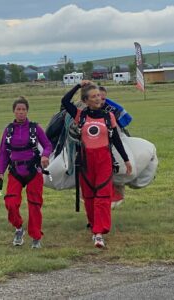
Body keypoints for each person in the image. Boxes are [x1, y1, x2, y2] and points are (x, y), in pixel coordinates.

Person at [61, 81, 132, 248]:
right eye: (93, 96)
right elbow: (65, 101)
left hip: (104, 161)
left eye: (99, 95)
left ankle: (99, 233)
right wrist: (78, 86)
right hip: (85, 161)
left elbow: (115, 140)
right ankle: (94, 227)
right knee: (90, 198)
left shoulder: (109, 117)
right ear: (86, 100)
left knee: (102, 196)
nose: (98, 99)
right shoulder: (81, 115)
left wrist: (126, 159)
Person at [0, 96, 52, 248]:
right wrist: (0, 171)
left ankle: (36, 237)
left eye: (23, 110)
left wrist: (45, 155)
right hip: (15, 171)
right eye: (18, 110)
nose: (21, 112)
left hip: (34, 170)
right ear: (14, 112)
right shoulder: (8, 130)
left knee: (34, 204)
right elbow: (3, 152)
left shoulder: (35, 128)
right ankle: (19, 228)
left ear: (27, 111)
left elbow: (48, 145)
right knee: (11, 203)